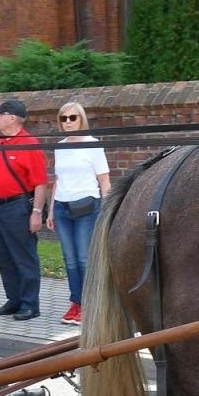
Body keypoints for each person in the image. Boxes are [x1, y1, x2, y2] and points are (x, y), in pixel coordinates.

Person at [47, 101, 111, 325]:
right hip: (62, 206)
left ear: (81, 119)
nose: (68, 122)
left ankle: (89, 304)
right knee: (70, 259)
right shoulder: (60, 145)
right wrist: (51, 210)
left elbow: (104, 179)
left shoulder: (93, 145)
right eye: (63, 119)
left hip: (86, 206)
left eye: (72, 118)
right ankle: (76, 301)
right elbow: (58, 180)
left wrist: (107, 209)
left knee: (85, 258)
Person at [0, 98, 47, 321]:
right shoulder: (0, 143)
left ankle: (30, 304)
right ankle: (14, 299)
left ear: (12, 117)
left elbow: (40, 182)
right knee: (5, 256)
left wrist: (36, 212)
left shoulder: (30, 143)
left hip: (17, 207)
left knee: (24, 257)